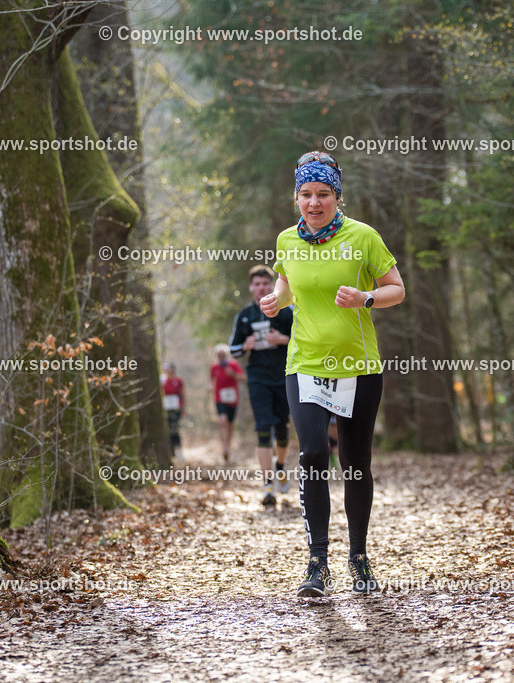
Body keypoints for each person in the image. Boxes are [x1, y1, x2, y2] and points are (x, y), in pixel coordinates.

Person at [261, 151, 405, 597]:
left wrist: (365, 297)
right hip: (304, 364)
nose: (314, 202)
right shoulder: (287, 241)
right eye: (306, 194)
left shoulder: (363, 237)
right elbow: (287, 283)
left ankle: (359, 558)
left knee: (355, 464)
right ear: (296, 198)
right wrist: (276, 299)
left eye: (323, 194)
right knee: (312, 456)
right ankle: (316, 562)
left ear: (337, 197)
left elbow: (396, 289)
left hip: (358, 368)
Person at [229, 265, 294, 506]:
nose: (261, 288)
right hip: (257, 379)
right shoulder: (245, 315)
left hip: (285, 376)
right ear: (251, 288)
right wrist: (245, 346)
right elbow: (232, 350)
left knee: (282, 430)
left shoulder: (287, 312)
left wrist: (282, 339)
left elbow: (304, 341)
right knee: (263, 428)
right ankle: (267, 485)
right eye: (257, 284)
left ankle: (280, 465)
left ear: (273, 285)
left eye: (266, 284)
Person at [209, 344, 244, 462]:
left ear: (226, 355)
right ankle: (224, 447)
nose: (221, 357)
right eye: (219, 355)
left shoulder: (233, 365)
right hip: (220, 398)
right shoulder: (214, 367)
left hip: (233, 399)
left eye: (223, 355)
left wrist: (233, 374)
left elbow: (243, 378)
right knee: (222, 420)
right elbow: (211, 380)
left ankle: (228, 445)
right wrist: (209, 387)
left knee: (229, 424)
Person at [162, 362, 186, 457]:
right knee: (168, 428)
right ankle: (171, 450)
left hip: (176, 408)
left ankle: (178, 449)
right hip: (166, 408)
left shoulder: (178, 380)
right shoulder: (163, 380)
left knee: (175, 428)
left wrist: (183, 407)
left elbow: (183, 394)